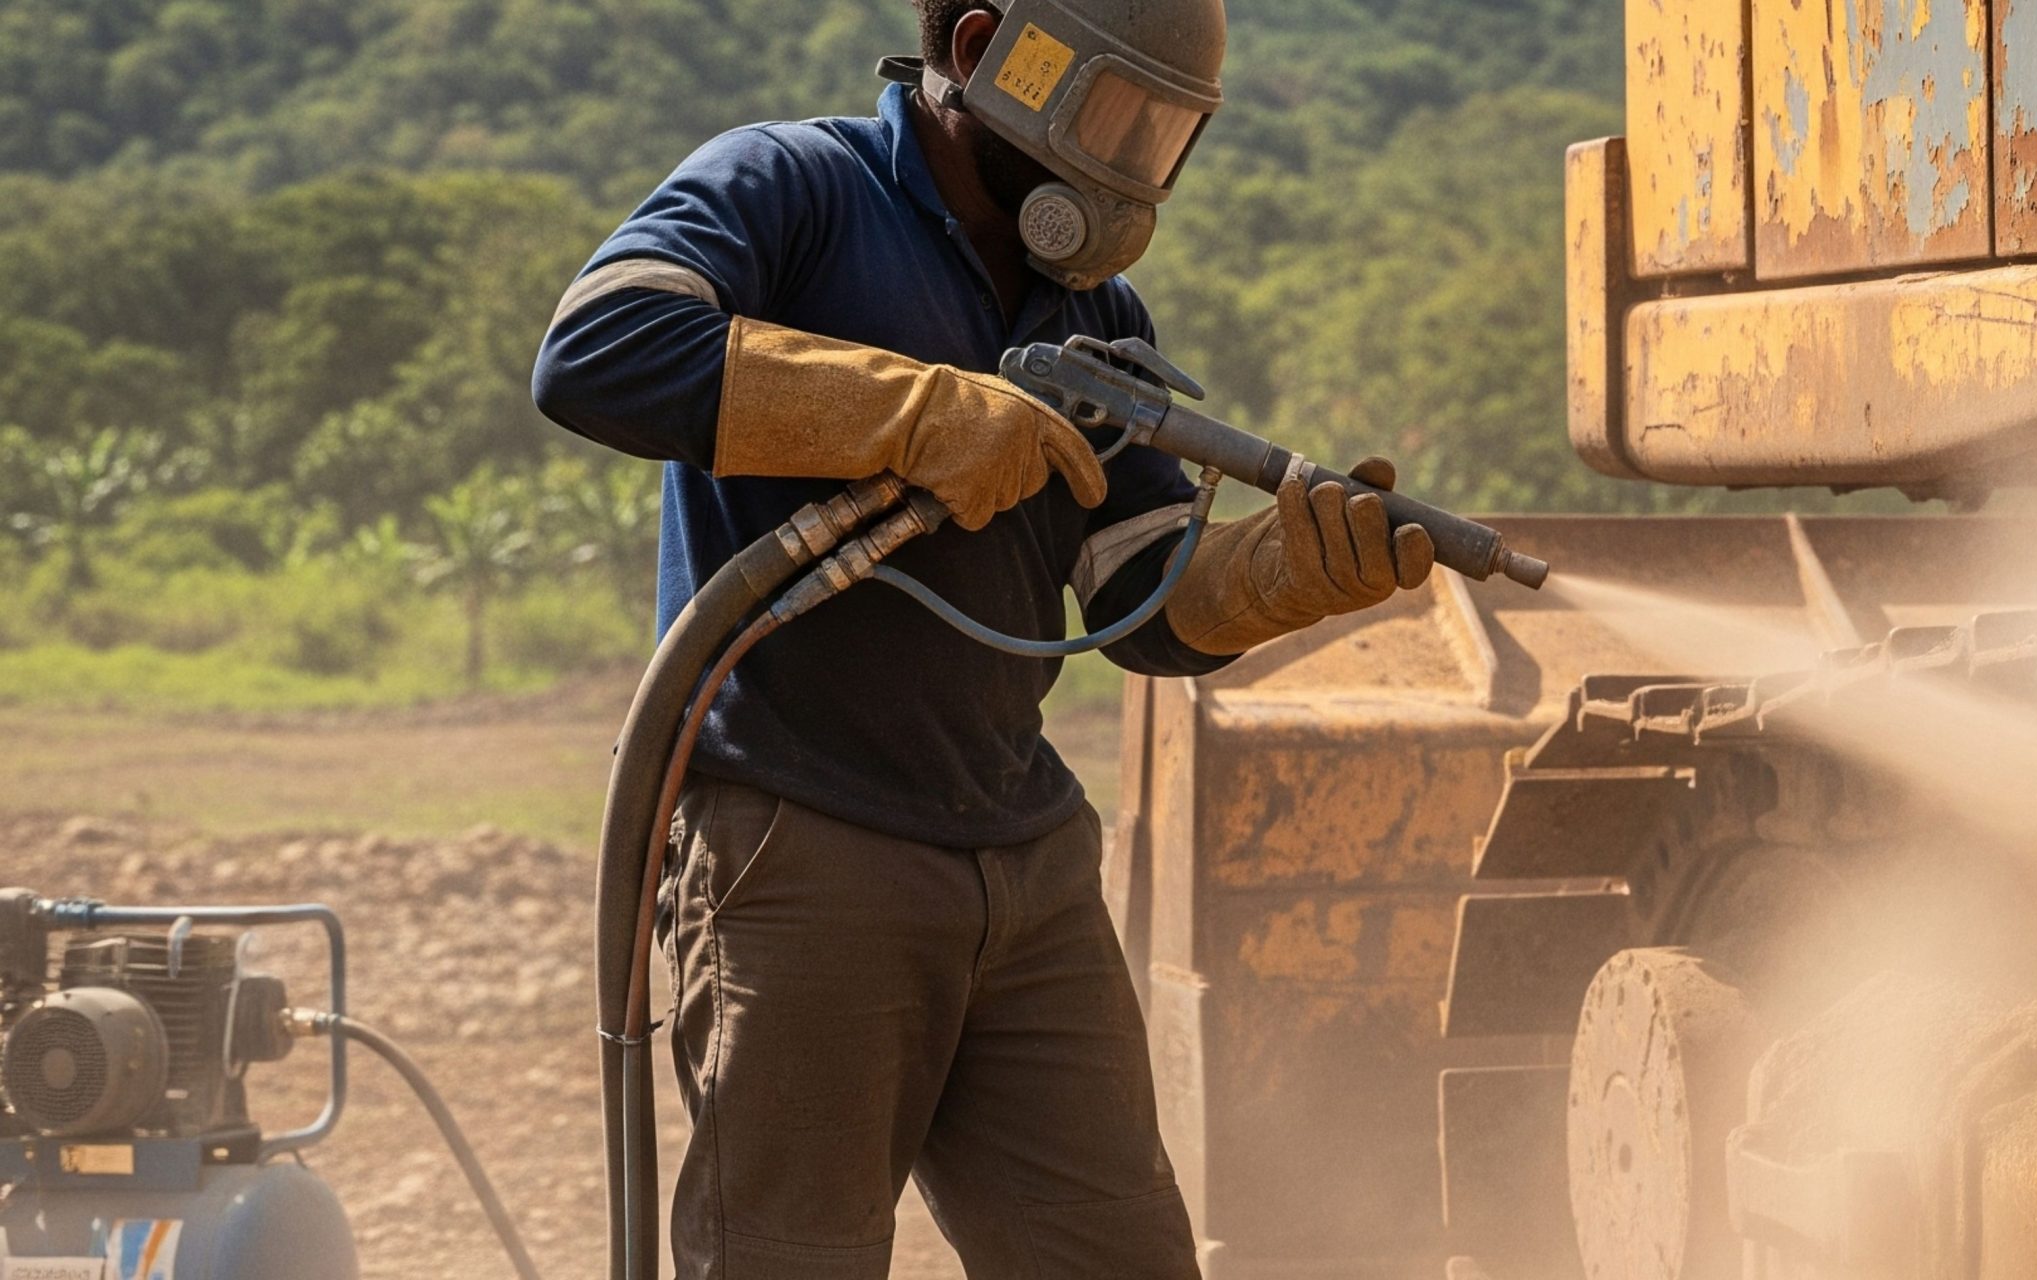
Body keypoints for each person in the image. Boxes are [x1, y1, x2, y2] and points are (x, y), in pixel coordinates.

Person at [528, 1, 1434, 1275]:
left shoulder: (1098, 309)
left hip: (1026, 857)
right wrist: (911, 409)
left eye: (1161, 134)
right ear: (975, 48)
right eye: (1111, 114)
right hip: (805, 839)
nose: (1126, 164)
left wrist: (1282, 575)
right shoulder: (794, 184)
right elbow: (599, 349)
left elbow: (1145, 603)